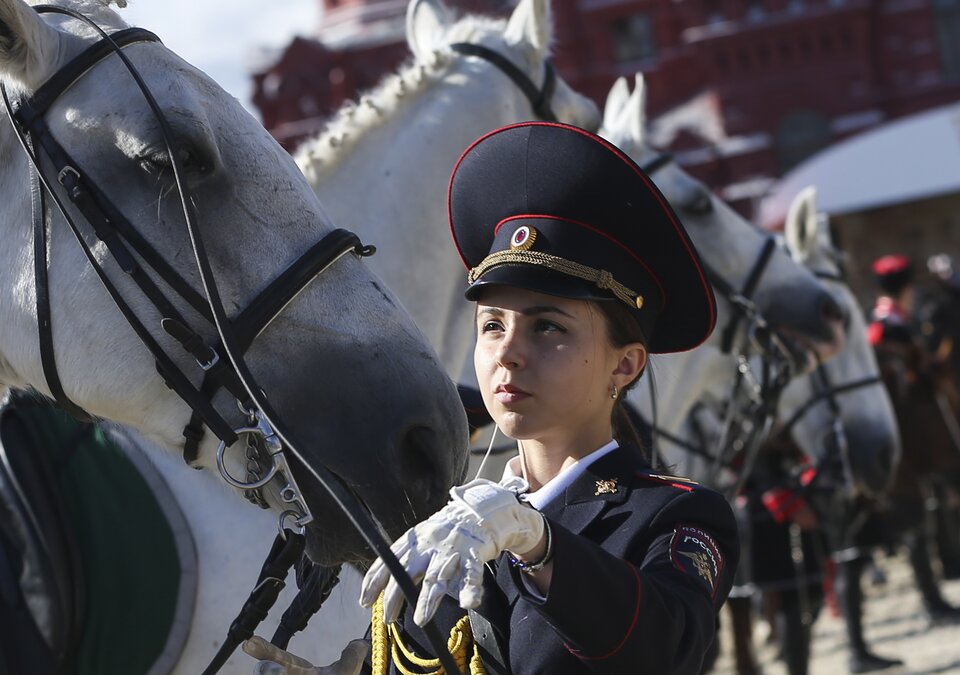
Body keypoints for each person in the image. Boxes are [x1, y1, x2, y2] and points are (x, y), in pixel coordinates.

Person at [244, 122, 739, 674]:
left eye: (548, 327)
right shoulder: (449, 525)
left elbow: (662, 647)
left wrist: (538, 541)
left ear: (624, 364)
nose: (508, 353)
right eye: (492, 325)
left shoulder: (674, 515)